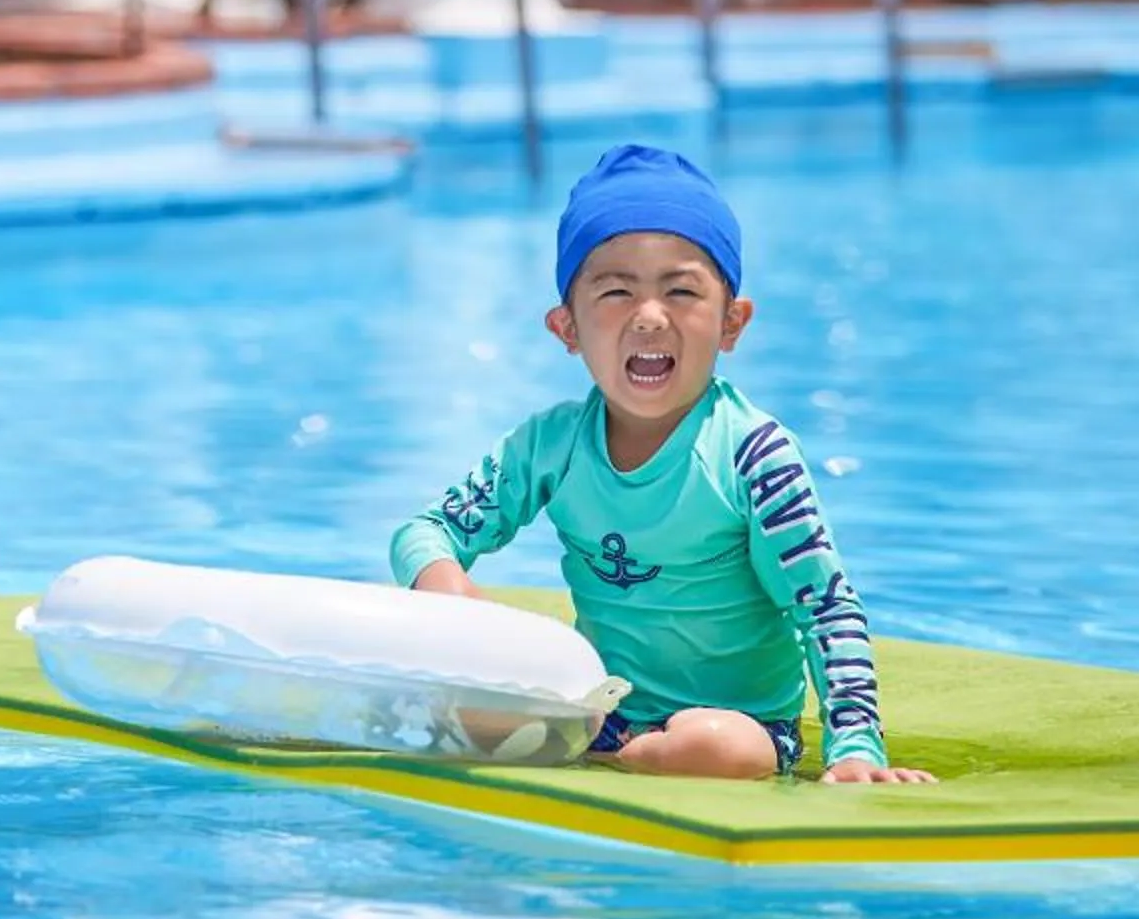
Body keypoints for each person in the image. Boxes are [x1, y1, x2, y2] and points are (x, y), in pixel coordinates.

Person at [390, 143, 933, 784]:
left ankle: (607, 762)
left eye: (681, 291)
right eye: (616, 291)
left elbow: (825, 607)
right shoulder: (549, 446)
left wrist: (855, 750)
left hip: (742, 725)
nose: (650, 317)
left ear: (732, 323)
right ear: (567, 327)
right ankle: (603, 747)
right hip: (600, 710)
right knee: (447, 705)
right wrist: (449, 587)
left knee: (725, 750)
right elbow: (423, 532)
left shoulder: (754, 456)